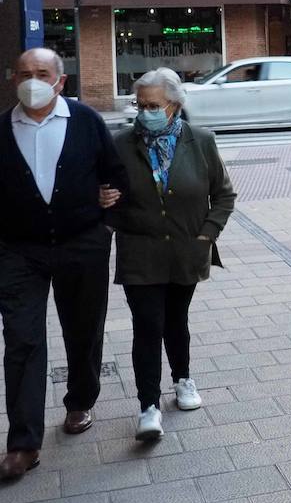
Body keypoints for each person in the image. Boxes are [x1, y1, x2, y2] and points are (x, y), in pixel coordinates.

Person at [0, 49, 127, 480]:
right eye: (24, 73)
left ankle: (79, 401)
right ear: (13, 78)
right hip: (19, 252)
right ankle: (23, 442)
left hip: (82, 246)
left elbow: (116, 176)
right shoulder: (2, 128)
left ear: (60, 81)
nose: (31, 80)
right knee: (21, 341)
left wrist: (106, 221)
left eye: (41, 74)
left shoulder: (86, 121)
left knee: (83, 329)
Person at [108, 69, 235, 442]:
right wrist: (105, 206)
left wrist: (206, 234)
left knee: (176, 320)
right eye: (140, 104)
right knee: (148, 325)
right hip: (139, 254)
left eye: (153, 105)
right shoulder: (120, 145)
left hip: (186, 251)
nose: (145, 111)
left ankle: (182, 379)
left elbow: (224, 195)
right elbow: (105, 196)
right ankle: (148, 405)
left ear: (175, 106)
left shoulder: (201, 141)